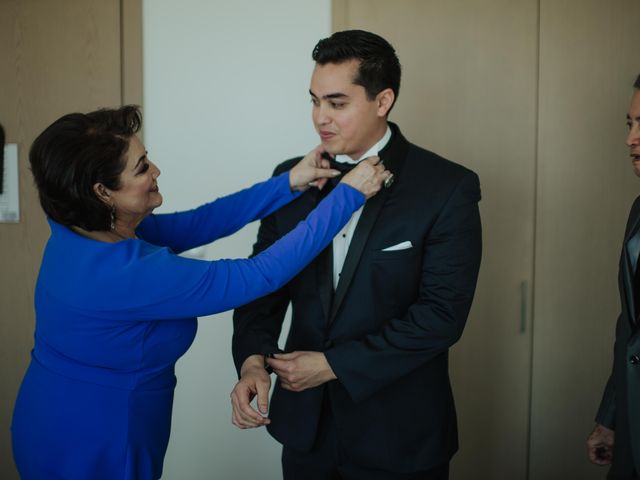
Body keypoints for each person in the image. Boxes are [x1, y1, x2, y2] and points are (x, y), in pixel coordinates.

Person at [10, 105, 391, 480]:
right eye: (142, 168)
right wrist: (348, 196)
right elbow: (260, 275)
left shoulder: (82, 230)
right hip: (96, 438)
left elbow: (199, 223)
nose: (156, 171)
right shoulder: (127, 274)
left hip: (48, 412)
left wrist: (290, 181)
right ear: (102, 192)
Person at [231, 30, 482, 479]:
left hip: (401, 435)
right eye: (314, 100)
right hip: (306, 430)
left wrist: (332, 365)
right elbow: (262, 286)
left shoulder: (446, 187)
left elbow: (441, 316)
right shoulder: (291, 179)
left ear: (382, 101)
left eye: (337, 103)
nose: (319, 118)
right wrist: (253, 359)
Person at [588, 74, 640, 479]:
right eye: (630, 125)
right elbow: (631, 327)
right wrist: (611, 417)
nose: (630, 139)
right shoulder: (639, 210)